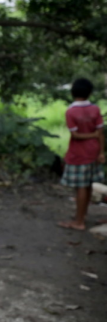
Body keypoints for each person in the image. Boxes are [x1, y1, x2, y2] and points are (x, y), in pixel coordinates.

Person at [58, 78, 104, 230]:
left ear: (72, 93)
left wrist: (91, 135)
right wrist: (101, 151)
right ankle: (82, 215)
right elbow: (100, 133)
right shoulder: (95, 109)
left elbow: (76, 135)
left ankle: (79, 222)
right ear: (89, 93)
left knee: (80, 187)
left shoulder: (71, 112)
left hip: (79, 153)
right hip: (93, 150)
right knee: (88, 185)